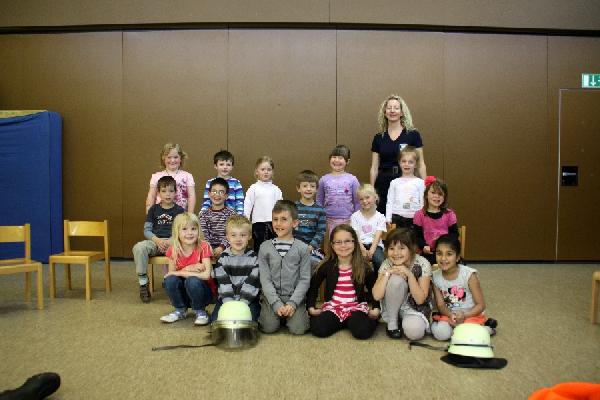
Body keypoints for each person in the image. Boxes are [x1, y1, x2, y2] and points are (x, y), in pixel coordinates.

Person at [307, 224, 380, 339]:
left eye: (347, 241)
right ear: (332, 245)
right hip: (333, 308)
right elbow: (313, 286)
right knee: (318, 329)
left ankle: (351, 321)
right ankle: (342, 321)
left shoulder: (364, 267)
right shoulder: (326, 266)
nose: (343, 245)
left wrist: (376, 308)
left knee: (362, 332)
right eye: (338, 242)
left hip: (356, 308)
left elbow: (373, 289)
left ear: (355, 243)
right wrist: (311, 306)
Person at [258, 200, 310, 335]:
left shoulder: (303, 248)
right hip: (271, 297)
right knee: (269, 327)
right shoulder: (264, 247)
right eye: (275, 219)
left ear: (295, 223)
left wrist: (293, 303)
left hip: (294, 297)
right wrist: (276, 303)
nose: (278, 223)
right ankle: (275, 314)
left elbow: (304, 279)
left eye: (284, 219)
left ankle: (290, 314)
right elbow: (265, 279)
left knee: (298, 329)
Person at [431, 234, 497, 340]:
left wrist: (464, 315)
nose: (443, 258)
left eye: (449, 254)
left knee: (471, 336)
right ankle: (456, 329)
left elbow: (481, 305)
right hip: (449, 316)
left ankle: (487, 327)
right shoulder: (435, 277)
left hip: (470, 315)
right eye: (439, 253)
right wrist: (451, 315)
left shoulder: (469, 275)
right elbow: (441, 305)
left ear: (457, 257)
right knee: (441, 334)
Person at [370, 94, 427, 214]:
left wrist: (426, 187)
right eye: (389, 108)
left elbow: (421, 164)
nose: (392, 111)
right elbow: (374, 167)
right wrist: (372, 190)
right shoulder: (378, 137)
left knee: (406, 216)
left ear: (401, 112)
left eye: (396, 108)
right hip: (383, 183)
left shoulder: (413, 135)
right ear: (384, 112)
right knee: (384, 218)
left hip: (407, 181)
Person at [372, 228, 432, 340]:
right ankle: (393, 322)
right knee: (396, 279)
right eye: (391, 248)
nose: (396, 253)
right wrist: (388, 273)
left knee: (415, 333)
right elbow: (376, 295)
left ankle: (403, 320)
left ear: (412, 249)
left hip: (414, 307)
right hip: (391, 305)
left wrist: (409, 275)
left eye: (401, 248)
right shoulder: (387, 263)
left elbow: (420, 300)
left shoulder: (422, 263)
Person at [133, 176, 184, 303]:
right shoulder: (153, 209)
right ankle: (143, 283)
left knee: (184, 249)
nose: (168, 194)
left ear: (176, 192)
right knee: (139, 247)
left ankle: (176, 284)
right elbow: (147, 230)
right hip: (155, 242)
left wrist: (171, 240)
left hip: (173, 242)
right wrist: (157, 240)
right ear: (158, 193)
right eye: (164, 191)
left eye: (171, 191)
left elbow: (182, 230)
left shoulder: (179, 210)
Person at [160, 213, 215, 326]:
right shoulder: (173, 249)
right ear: (177, 232)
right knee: (170, 280)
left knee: (192, 280)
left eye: (193, 229)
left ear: (198, 230)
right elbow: (171, 274)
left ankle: (200, 311)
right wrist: (189, 268)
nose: (189, 233)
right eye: (184, 229)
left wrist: (181, 272)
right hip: (184, 293)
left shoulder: (204, 246)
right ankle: (180, 310)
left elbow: (206, 276)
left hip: (203, 293)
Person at [211, 215, 261, 322]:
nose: (238, 239)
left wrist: (242, 305)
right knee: (216, 322)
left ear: (249, 236)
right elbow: (223, 284)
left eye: (243, 235)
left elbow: (252, 282)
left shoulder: (255, 259)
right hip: (226, 299)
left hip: (248, 299)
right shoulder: (223, 259)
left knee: (249, 321)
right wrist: (230, 305)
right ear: (227, 237)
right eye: (233, 235)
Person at [413, 176, 459, 265]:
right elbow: (417, 236)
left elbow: (454, 234)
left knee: (455, 262)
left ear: (444, 197)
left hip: (445, 251)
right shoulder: (419, 215)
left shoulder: (449, 214)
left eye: (440, 194)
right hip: (428, 252)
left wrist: (443, 239)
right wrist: (424, 246)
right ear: (426, 195)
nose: (436, 196)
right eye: (433, 192)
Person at [316, 144, 360, 235]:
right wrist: (320, 218)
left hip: (348, 219)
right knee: (331, 242)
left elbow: (357, 202)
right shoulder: (324, 179)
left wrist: (356, 219)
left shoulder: (352, 179)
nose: (336, 160)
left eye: (340, 158)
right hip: (328, 220)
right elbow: (319, 200)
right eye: (334, 157)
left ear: (347, 161)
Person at [244, 156, 283, 252]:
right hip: (258, 224)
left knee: (274, 248)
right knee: (260, 248)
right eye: (263, 169)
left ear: (272, 172)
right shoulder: (253, 188)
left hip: (274, 223)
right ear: (257, 171)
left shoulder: (276, 189)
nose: (266, 172)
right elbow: (248, 205)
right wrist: (246, 221)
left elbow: (281, 207)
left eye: (269, 169)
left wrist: (281, 221)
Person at [145, 142, 196, 213]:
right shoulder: (156, 176)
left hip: (181, 216)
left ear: (181, 158)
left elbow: (191, 196)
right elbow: (151, 196)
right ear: (163, 158)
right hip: (160, 216)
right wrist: (149, 214)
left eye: (176, 157)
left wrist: (190, 215)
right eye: (169, 157)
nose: (172, 160)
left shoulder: (187, 176)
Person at [293, 170, 326, 270]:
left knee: (314, 263)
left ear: (316, 189)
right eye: (305, 186)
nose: (308, 189)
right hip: (294, 247)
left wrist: (310, 247)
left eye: (312, 186)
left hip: (312, 248)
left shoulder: (320, 210)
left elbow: (321, 232)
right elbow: (288, 229)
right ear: (298, 188)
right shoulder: (293, 208)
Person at [385, 146, 425, 230]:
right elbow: (390, 201)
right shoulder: (394, 182)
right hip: (397, 217)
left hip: (414, 218)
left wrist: (423, 218)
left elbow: (423, 202)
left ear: (416, 165)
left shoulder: (420, 183)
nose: (407, 164)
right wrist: (388, 217)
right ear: (399, 163)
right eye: (404, 161)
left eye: (410, 162)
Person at [198, 177, 236, 261]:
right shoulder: (203, 215)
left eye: (221, 192)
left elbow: (232, 233)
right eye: (214, 191)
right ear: (209, 194)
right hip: (208, 249)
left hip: (227, 248)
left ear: (226, 196)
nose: (217, 195)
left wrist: (222, 247)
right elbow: (204, 235)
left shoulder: (231, 214)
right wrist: (209, 249)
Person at [351, 183, 386, 271]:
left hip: (375, 245)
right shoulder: (355, 216)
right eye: (361, 199)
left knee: (380, 261)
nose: (364, 201)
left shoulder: (380, 217)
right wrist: (362, 249)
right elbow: (355, 235)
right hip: (359, 245)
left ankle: (378, 279)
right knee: (356, 262)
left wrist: (372, 250)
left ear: (375, 197)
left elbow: (378, 235)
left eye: (367, 197)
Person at [200, 150, 244, 215]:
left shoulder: (236, 183)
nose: (225, 167)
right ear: (215, 166)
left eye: (228, 165)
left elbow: (239, 202)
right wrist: (202, 213)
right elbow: (207, 201)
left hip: (231, 217)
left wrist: (239, 216)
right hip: (213, 216)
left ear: (232, 167)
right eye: (221, 164)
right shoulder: (209, 183)